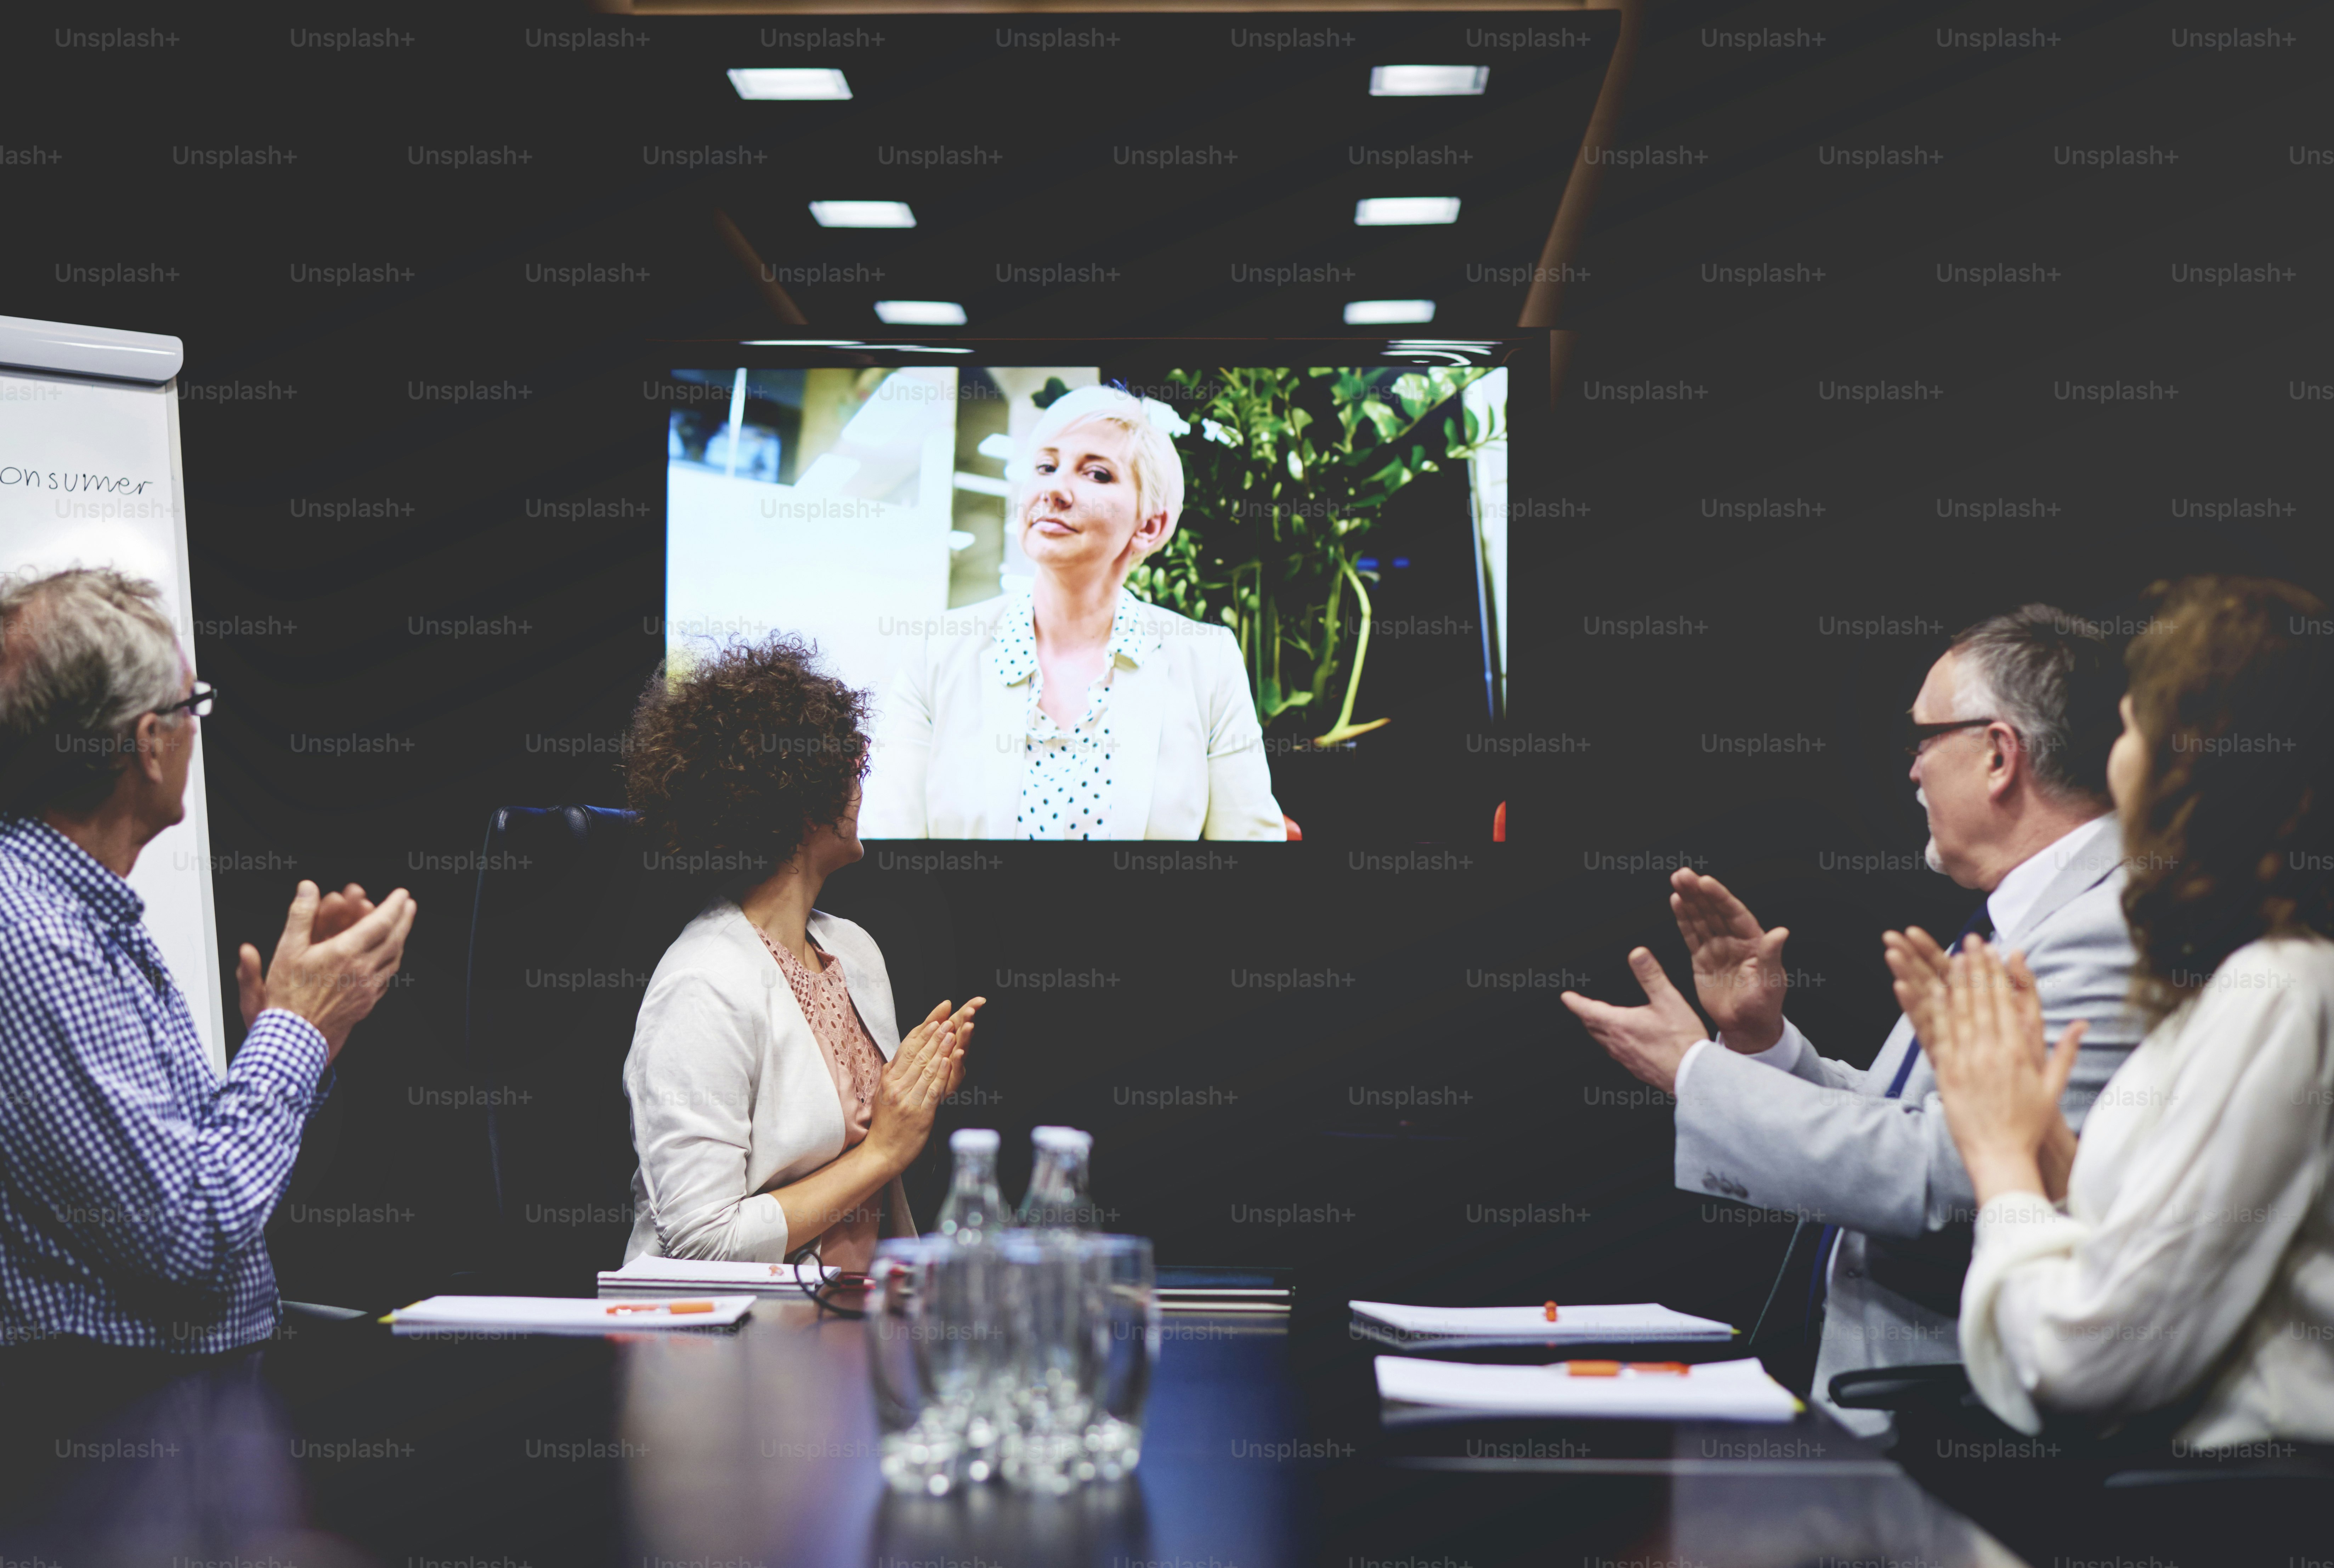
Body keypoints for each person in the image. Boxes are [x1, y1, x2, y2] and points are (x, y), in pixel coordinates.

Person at [1562, 605, 2144, 1437]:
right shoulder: (2025, 915)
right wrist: (1759, 1044)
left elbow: (1948, 1175)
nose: (1911, 772)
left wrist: (1696, 1072)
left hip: (1968, 1438)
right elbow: (1905, 1123)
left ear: (1997, 754)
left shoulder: (2107, 929)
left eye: (1923, 740)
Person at [1887, 576, 2334, 1445]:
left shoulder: (2277, 992)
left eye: (2130, 729)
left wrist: (2001, 1157)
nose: (2111, 760)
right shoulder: (2247, 986)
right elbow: (2145, 1254)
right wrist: (2049, 1148)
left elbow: (2087, 1360)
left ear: (2192, 758)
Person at [0, 567, 415, 1353]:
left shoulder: (78, 910)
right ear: (149, 744)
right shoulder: (39, 937)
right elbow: (188, 1240)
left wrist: (305, 1037)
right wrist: (292, 1029)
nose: (199, 727)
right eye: (193, 707)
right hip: (121, 1430)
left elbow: (206, 1183)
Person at [621, 634, 984, 1269]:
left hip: (857, 1322)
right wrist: (884, 1150)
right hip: (730, 1342)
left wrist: (911, 1102)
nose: (860, 788)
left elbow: (867, 1168)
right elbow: (702, 1241)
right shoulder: (703, 986)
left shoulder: (854, 951)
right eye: (849, 769)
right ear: (804, 799)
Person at [859, 383, 1284, 840]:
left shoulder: (1206, 660)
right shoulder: (938, 650)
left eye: (1097, 474)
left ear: (1149, 525)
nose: (1054, 490)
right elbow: (888, 844)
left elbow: (1250, 850)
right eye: (1045, 466)